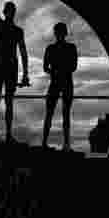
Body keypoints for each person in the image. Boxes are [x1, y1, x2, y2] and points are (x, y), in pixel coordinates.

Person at [0, 0, 28, 144]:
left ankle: (7, 134)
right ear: (5, 12)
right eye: (8, 10)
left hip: (11, 68)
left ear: (14, 13)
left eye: (12, 11)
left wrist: (26, 72)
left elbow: (23, 50)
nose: (9, 13)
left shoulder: (18, 31)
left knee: (9, 102)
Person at [42, 22, 78, 151]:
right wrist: (57, 71)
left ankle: (64, 144)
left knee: (63, 114)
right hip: (60, 83)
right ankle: (48, 143)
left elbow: (73, 66)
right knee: (53, 113)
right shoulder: (53, 48)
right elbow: (46, 67)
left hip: (61, 83)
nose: (59, 35)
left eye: (60, 32)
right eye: (58, 32)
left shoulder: (64, 48)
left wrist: (56, 71)